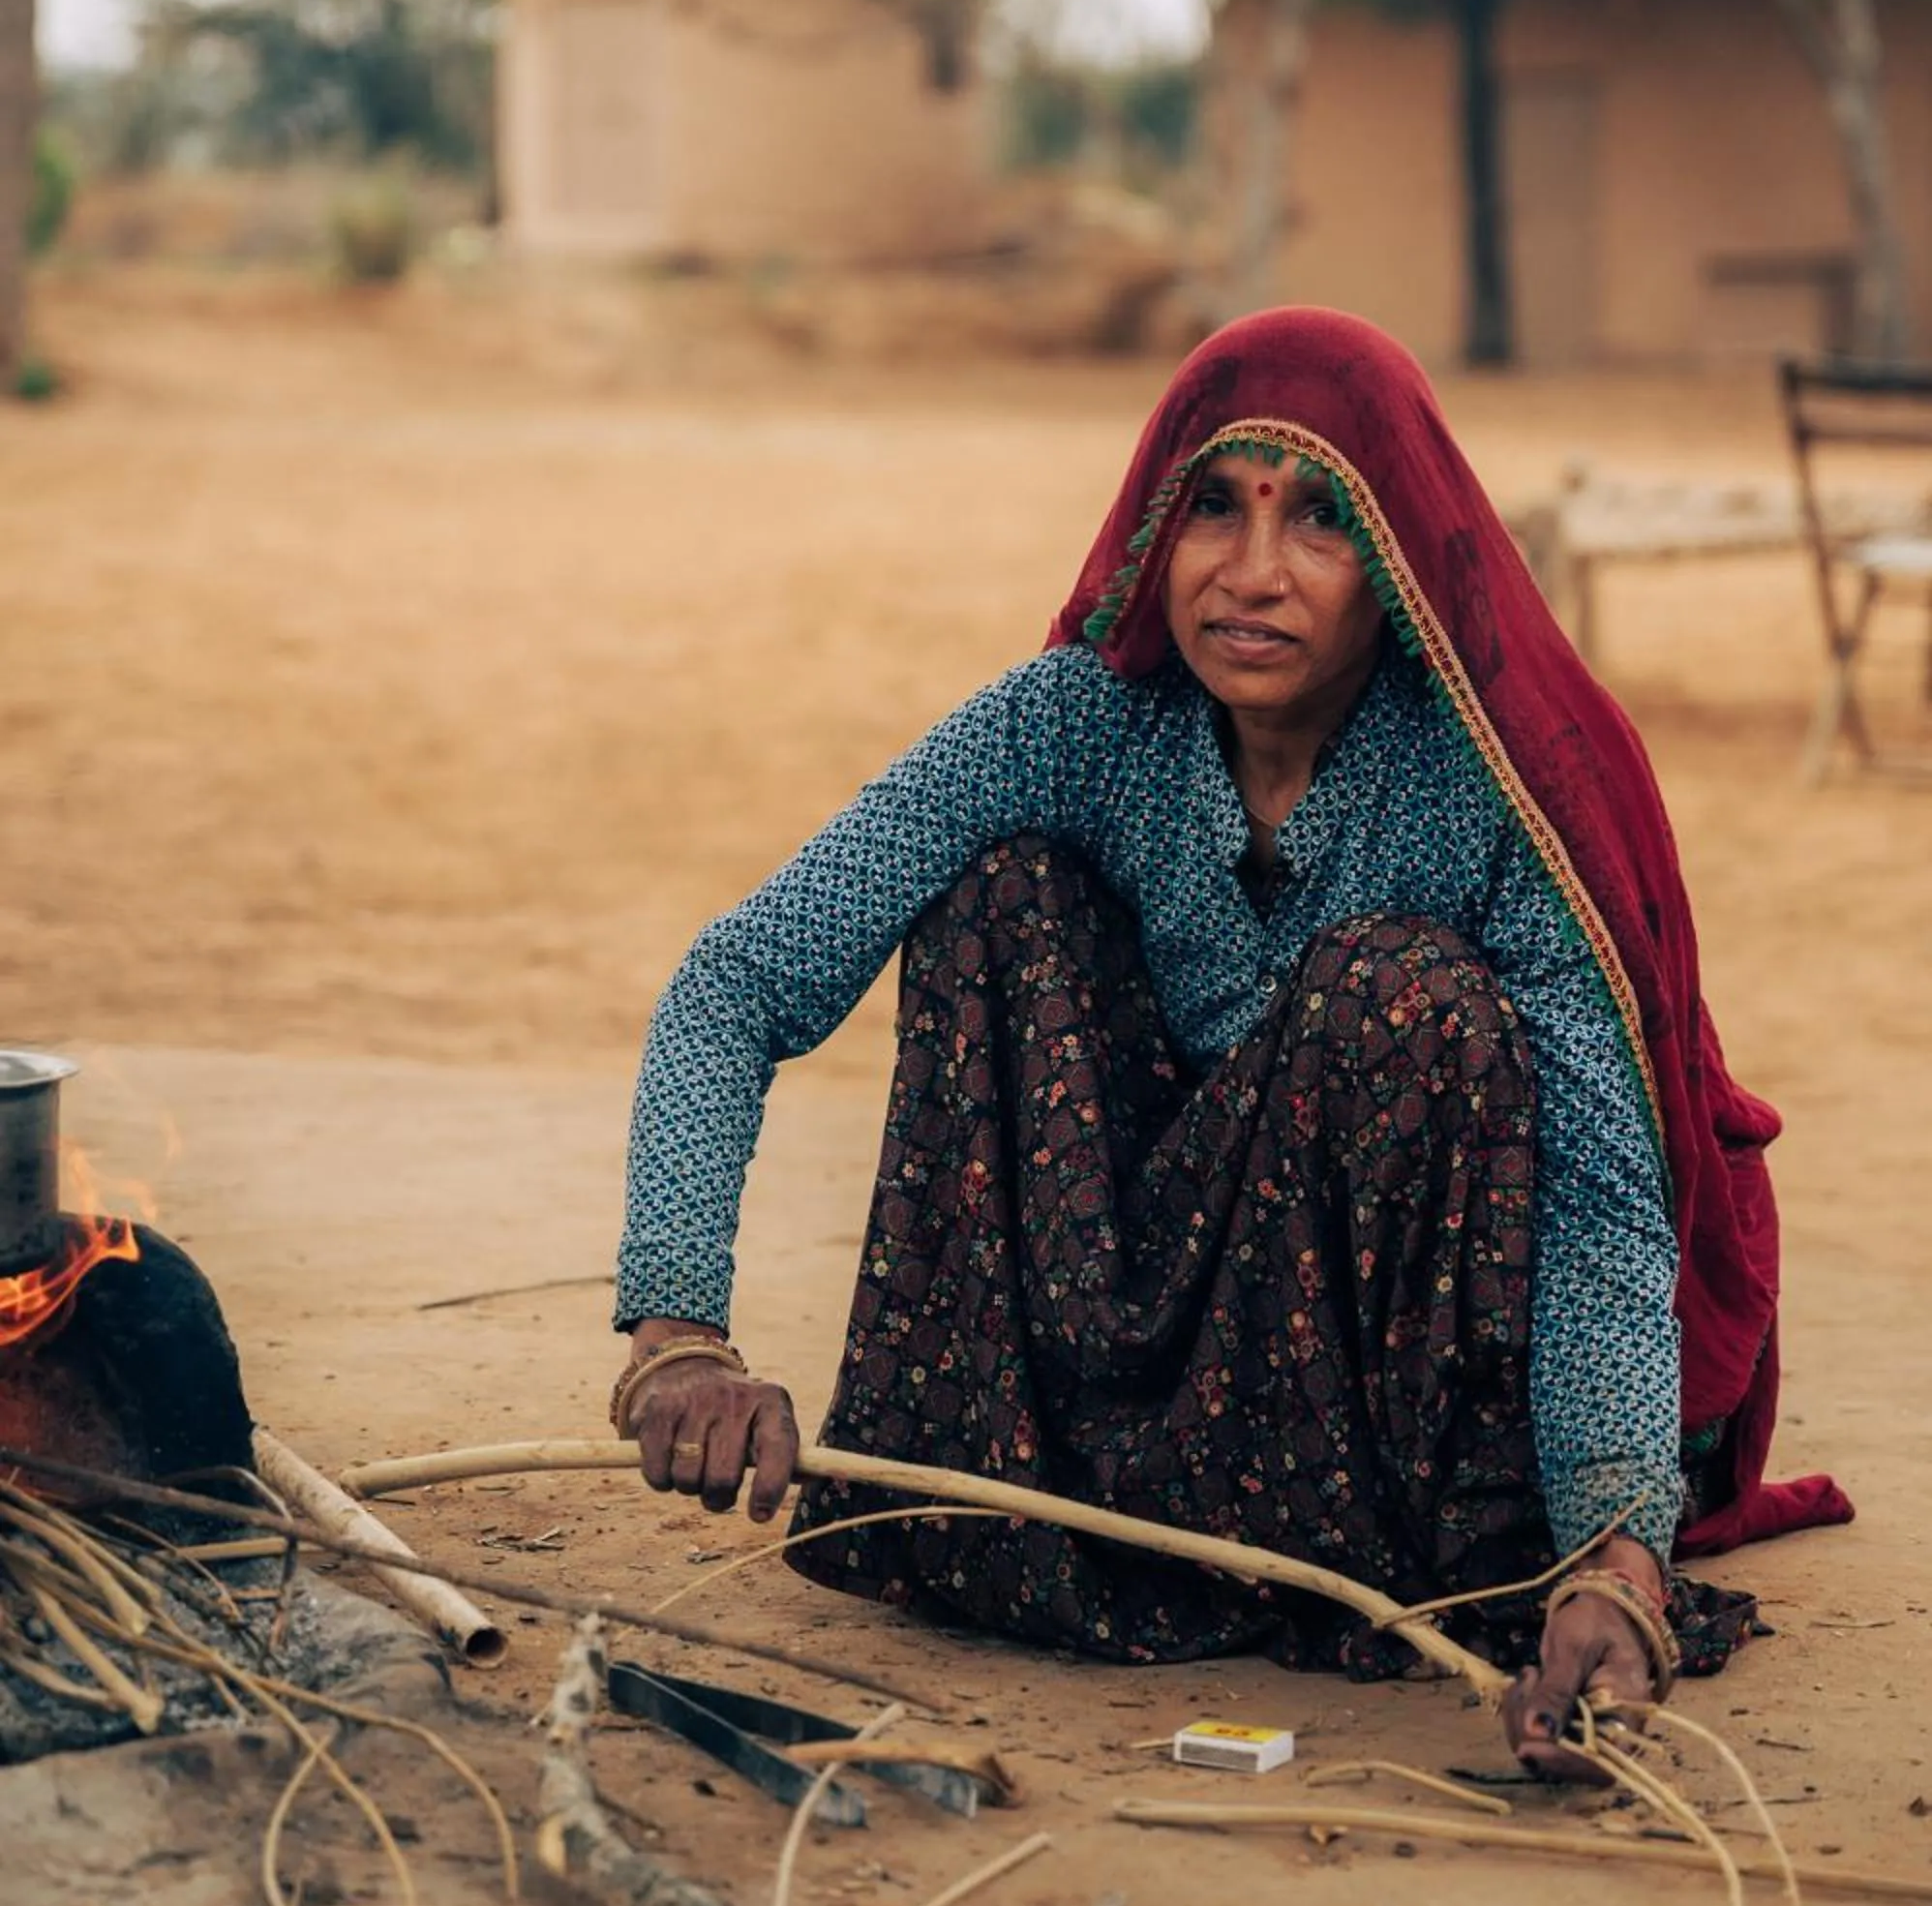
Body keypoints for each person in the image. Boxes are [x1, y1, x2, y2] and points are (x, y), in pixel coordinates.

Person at [610, 309, 1850, 1773]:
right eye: (1215, 506)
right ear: (1157, 528)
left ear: (1399, 559)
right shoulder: (1075, 722)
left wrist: (1618, 1555)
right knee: (1001, 900)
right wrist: (677, 1338)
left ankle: (1393, 1546)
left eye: (1320, 518)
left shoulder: (1498, 790)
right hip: (1136, 1346)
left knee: (1396, 994)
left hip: (1398, 1429)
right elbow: (743, 974)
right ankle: (1059, 1505)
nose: (1252, 573)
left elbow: (1596, 1199)